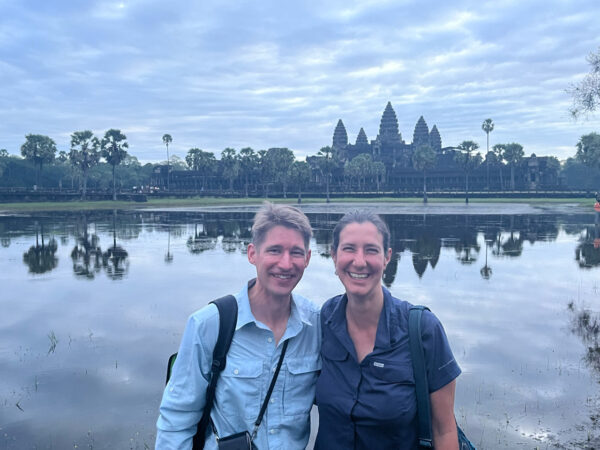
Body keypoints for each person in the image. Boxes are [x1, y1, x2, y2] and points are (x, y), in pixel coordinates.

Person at [156, 202, 321, 450]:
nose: (286, 264)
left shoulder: (316, 325)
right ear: (252, 253)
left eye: (296, 252)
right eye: (274, 250)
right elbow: (176, 420)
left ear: (307, 258)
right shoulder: (210, 324)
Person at [315, 211, 461, 450]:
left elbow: (444, 430)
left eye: (371, 250)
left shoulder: (422, 330)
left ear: (387, 258)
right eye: (349, 248)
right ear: (333, 256)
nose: (359, 261)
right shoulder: (325, 319)